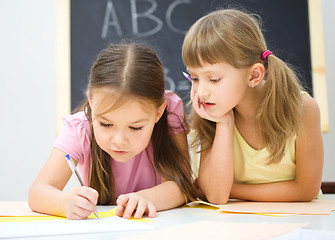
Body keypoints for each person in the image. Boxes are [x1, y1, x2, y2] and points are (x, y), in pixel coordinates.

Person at [29, 43, 197, 220]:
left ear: (158, 112)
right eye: (106, 124)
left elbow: (182, 186)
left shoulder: (170, 113)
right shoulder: (80, 128)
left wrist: (147, 198)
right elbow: (38, 192)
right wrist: (64, 203)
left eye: (135, 127)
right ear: (92, 103)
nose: (119, 140)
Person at [182, 9, 324, 204]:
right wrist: (224, 124)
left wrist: (232, 188)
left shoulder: (303, 108)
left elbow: (306, 190)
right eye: (194, 78)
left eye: (214, 79)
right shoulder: (212, 114)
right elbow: (216, 196)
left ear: (254, 75)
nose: (201, 92)